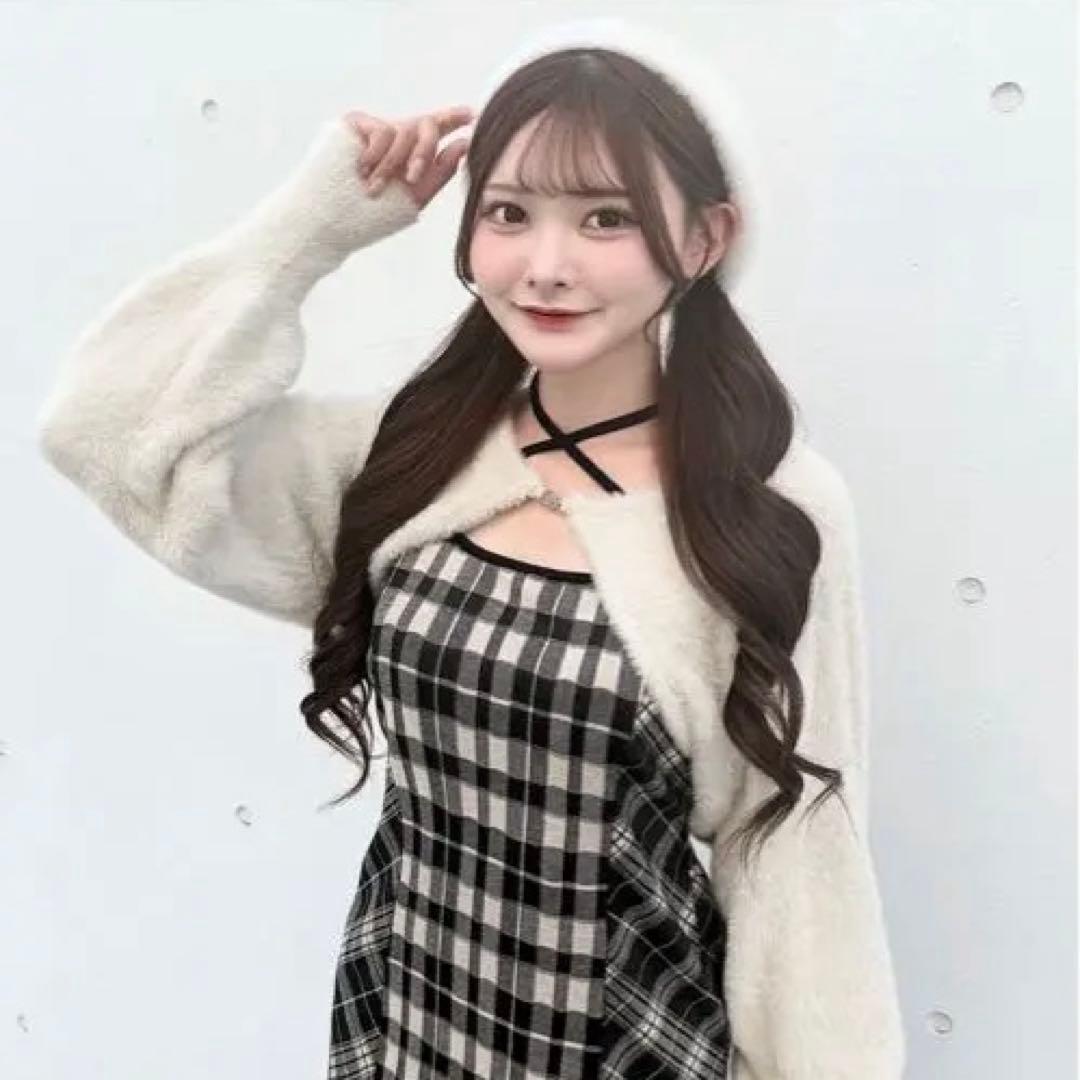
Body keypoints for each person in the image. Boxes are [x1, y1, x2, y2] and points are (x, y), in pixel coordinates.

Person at [36, 22, 906, 1080]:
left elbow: (795, 850)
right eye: (508, 212)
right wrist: (308, 231)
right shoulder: (412, 456)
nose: (546, 266)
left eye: (607, 217)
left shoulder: (763, 509)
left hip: (628, 1046)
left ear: (705, 237)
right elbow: (106, 433)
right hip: (406, 1019)